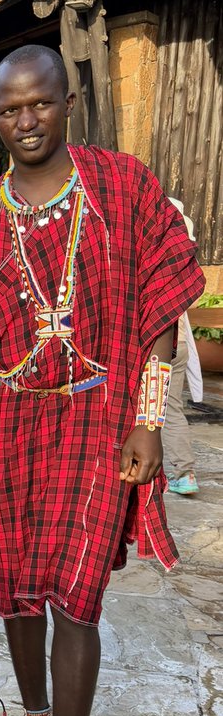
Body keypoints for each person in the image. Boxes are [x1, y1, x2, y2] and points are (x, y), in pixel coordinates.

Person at [0, 44, 203, 716]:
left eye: (40, 104)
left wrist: (149, 418)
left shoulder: (120, 185)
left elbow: (163, 298)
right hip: (9, 417)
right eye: (9, 110)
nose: (26, 121)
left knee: (77, 595)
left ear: (68, 103)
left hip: (100, 418)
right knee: (20, 589)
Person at [164, 200, 202, 496]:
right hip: (178, 342)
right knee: (171, 406)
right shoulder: (183, 264)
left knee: (160, 407)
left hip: (157, 346)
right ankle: (183, 471)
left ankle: (181, 471)